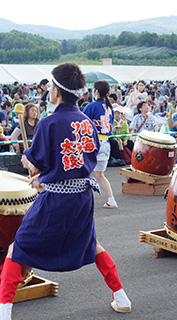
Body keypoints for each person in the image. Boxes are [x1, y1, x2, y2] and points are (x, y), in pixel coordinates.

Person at [0, 63, 131, 320]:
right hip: (82, 198)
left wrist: (31, 167)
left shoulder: (50, 123)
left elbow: (35, 163)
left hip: (56, 200)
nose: (48, 90)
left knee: (18, 248)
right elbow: (79, 163)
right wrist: (46, 176)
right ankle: (121, 296)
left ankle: (4, 311)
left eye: (50, 86)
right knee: (92, 245)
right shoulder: (86, 122)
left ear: (57, 92)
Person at [83, 80, 118, 209]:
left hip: (93, 143)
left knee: (84, 174)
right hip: (105, 143)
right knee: (99, 174)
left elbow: (82, 125)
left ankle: (83, 202)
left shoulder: (91, 106)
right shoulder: (109, 108)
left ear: (96, 91)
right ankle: (111, 199)